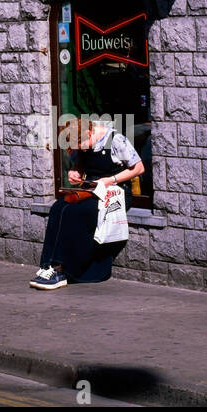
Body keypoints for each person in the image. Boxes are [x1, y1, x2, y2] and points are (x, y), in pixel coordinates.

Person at [30, 118, 144, 291]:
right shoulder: (81, 139)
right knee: (58, 208)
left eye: (81, 144)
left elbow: (138, 168)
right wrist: (75, 172)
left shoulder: (116, 140)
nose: (81, 149)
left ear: (89, 133)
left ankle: (64, 269)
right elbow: (81, 165)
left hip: (115, 192)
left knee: (80, 212)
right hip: (92, 190)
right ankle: (48, 265)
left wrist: (110, 180)